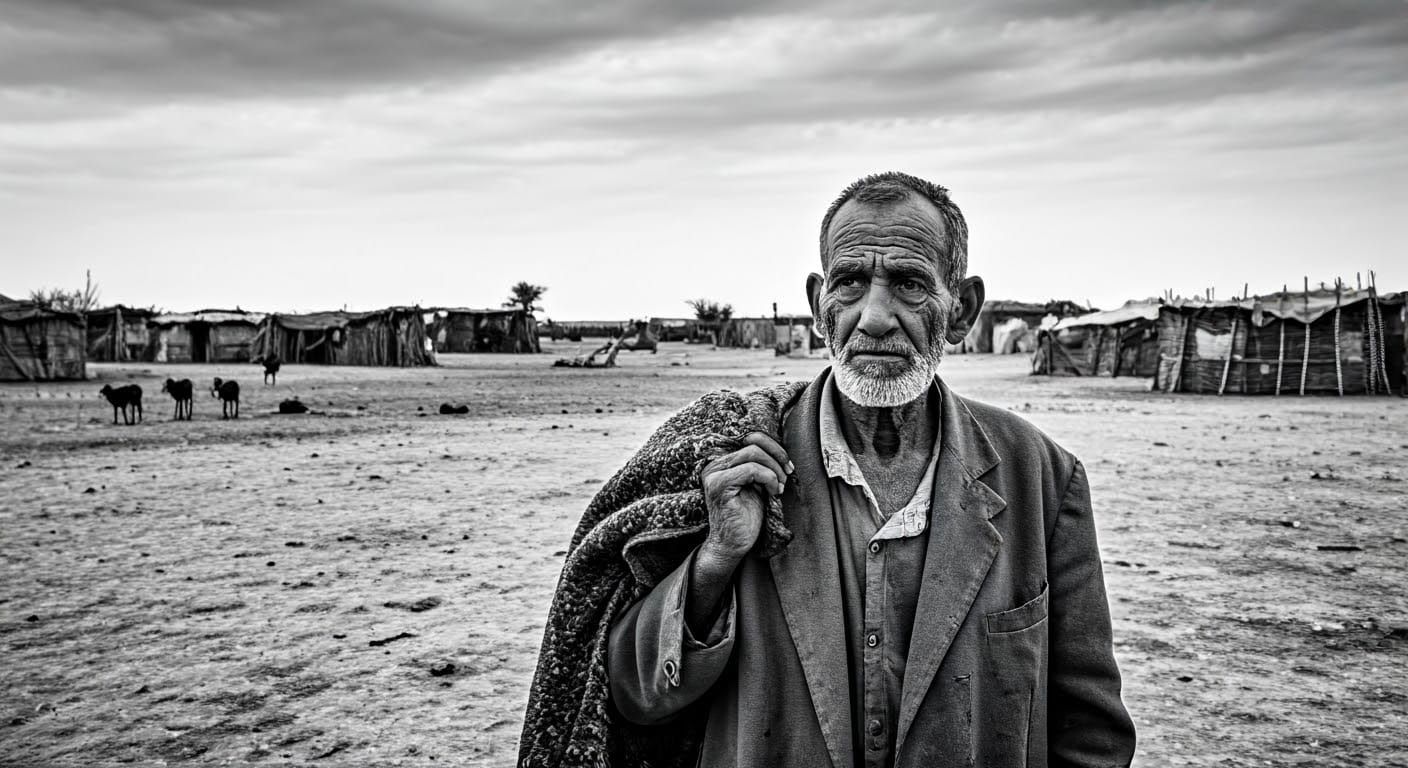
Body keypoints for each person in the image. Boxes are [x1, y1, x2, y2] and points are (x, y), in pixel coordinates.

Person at [520, 172, 1135, 768]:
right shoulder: (735, 462)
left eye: (909, 284)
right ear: (819, 304)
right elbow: (632, 697)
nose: (873, 316)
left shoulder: (1043, 480)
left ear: (963, 308)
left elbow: (1090, 733)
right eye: (849, 283)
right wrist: (715, 561)